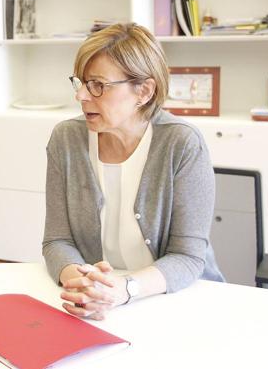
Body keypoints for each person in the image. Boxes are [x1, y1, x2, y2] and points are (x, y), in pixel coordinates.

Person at [42, 23, 223, 321]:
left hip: (175, 301)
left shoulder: (182, 143)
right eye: (81, 83)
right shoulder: (66, 139)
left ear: (144, 90)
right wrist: (84, 284)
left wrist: (124, 289)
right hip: (100, 306)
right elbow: (57, 241)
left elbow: (188, 257)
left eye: (98, 85)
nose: (82, 96)